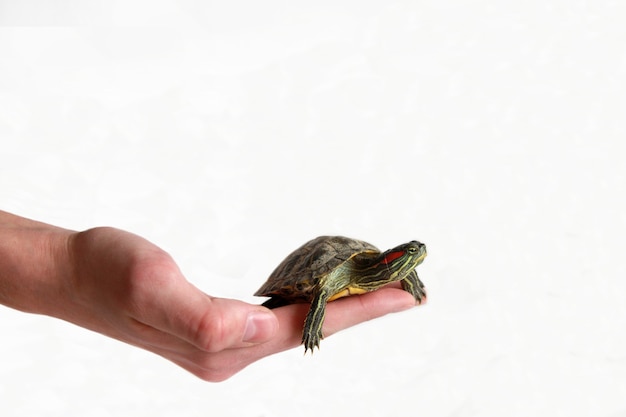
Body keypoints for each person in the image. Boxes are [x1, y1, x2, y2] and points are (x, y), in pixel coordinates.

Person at [0, 210, 421, 382]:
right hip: (311, 277)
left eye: (411, 259)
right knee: (305, 304)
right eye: (407, 257)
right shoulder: (348, 271)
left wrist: (71, 266)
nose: (411, 257)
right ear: (389, 261)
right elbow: (324, 286)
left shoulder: (374, 267)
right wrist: (72, 269)